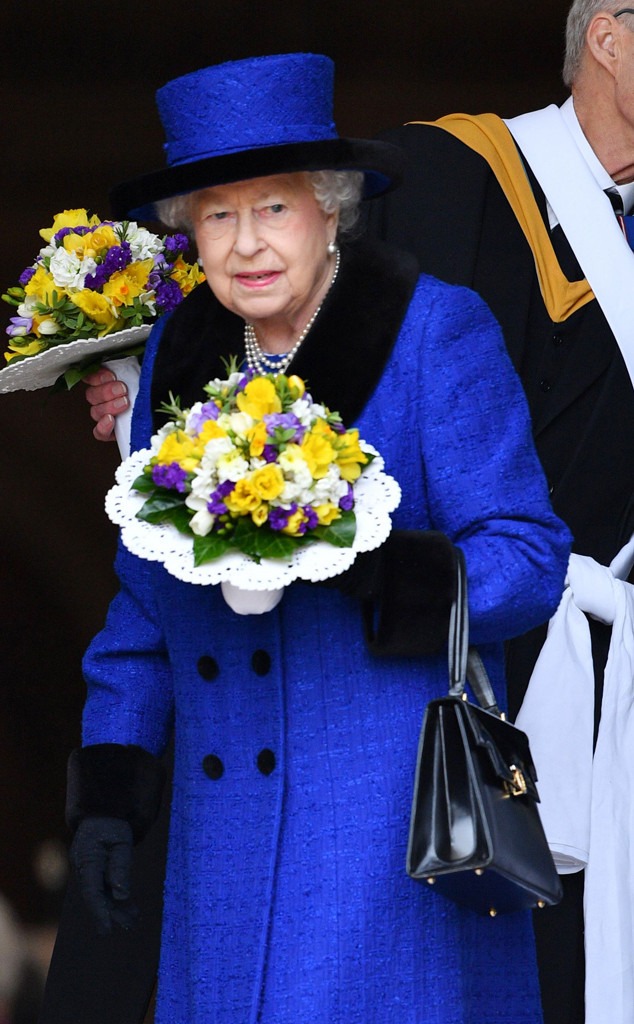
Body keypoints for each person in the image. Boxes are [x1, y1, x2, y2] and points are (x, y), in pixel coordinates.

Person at [41, 52, 571, 1024]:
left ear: (331, 207)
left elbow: (528, 559)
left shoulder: (432, 332)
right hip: (224, 843)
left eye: (273, 208)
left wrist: (371, 564)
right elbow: (143, 596)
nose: (246, 244)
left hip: (382, 820)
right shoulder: (178, 352)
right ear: (189, 233)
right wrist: (111, 790)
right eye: (217, 213)